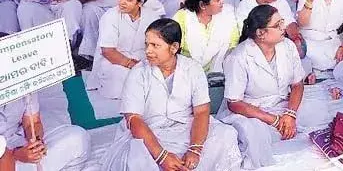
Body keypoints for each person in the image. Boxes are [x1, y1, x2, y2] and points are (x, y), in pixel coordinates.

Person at [101, 18, 242, 170]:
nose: (148, 50)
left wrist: (195, 149)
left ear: (174, 47)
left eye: (155, 45)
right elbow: (134, 119)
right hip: (149, 132)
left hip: (185, 127)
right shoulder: (138, 72)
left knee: (226, 134)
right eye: (146, 44)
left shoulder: (192, 68)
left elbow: (201, 112)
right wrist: (162, 156)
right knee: (138, 159)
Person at [213, 4, 309, 168]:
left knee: (315, 118)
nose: (283, 28)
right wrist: (275, 120)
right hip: (250, 111)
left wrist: (290, 114)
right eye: (277, 25)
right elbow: (234, 103)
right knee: (256, 135)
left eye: (282, 22)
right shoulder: (238, 57)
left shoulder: (287, 46)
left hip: (282, 104)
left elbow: (297, 84)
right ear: (260, 33)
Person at [88, 0, 162, 98]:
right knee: (123, 77)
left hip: (143, 59)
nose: (121, 2)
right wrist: (131, 64)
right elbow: (108, 51)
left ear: (140, 3)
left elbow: (158, 44)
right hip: (115, 62)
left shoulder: (152, 17)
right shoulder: (110, 16)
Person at [0, 93, 90, 170]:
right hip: (6, 159)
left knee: (77, 138)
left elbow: (33, 123)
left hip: (18, 147)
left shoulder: (24, 81)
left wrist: (36, 143)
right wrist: (16, 155)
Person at [172, 0, 239, 73]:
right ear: (202, 5)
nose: (222, 2)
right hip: (186, 71)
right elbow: (173, 50)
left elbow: (233, 45)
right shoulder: (181, 18)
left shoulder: (228, 13)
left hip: (220, 72)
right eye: (218, 0)